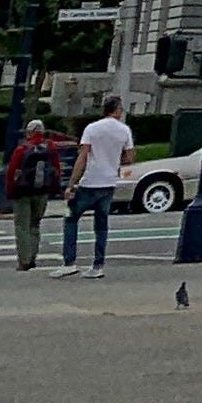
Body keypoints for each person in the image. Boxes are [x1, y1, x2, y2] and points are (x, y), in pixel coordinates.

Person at [62, 101, 137, 274]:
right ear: (117, 111)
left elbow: (83, 157)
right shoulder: (124, 130)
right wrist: (115, 162)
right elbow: (130, 156)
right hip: (109, 181)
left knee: (71, 218)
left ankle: (69, 262)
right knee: (101, 225)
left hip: (90, 181)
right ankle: (98, 265)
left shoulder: (92, 128)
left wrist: (71, 184)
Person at [3, 116, 63, 271]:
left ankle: (24, 260)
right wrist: (55, 189)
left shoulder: (22, 149)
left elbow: (11, 172)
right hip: (42, 191)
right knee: (35, 224)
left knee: (22, 226)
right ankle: (33, 256)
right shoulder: (51, 147)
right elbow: (56, 170)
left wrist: (10, 191)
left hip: (22, 192)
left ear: (29, 132)